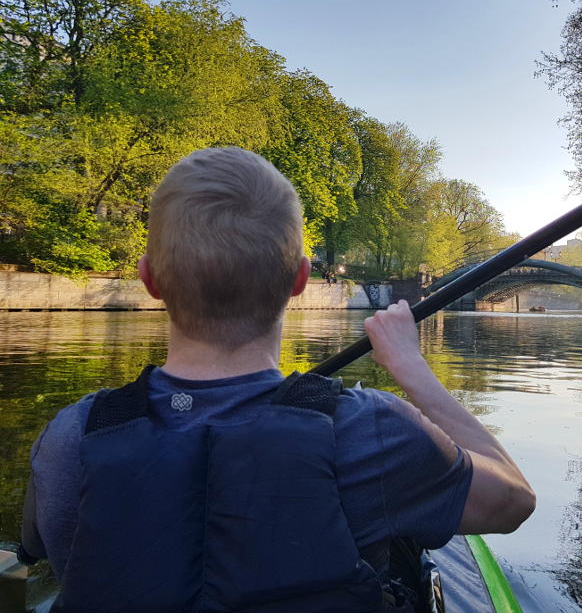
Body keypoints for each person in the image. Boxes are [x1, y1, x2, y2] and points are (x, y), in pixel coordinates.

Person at [18, 147, 535, 611]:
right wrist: (410, 367)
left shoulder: (71, 435)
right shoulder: (372, 429)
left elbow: (42, 549)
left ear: (149, 278)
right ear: (300, 279)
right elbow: (513, 500)